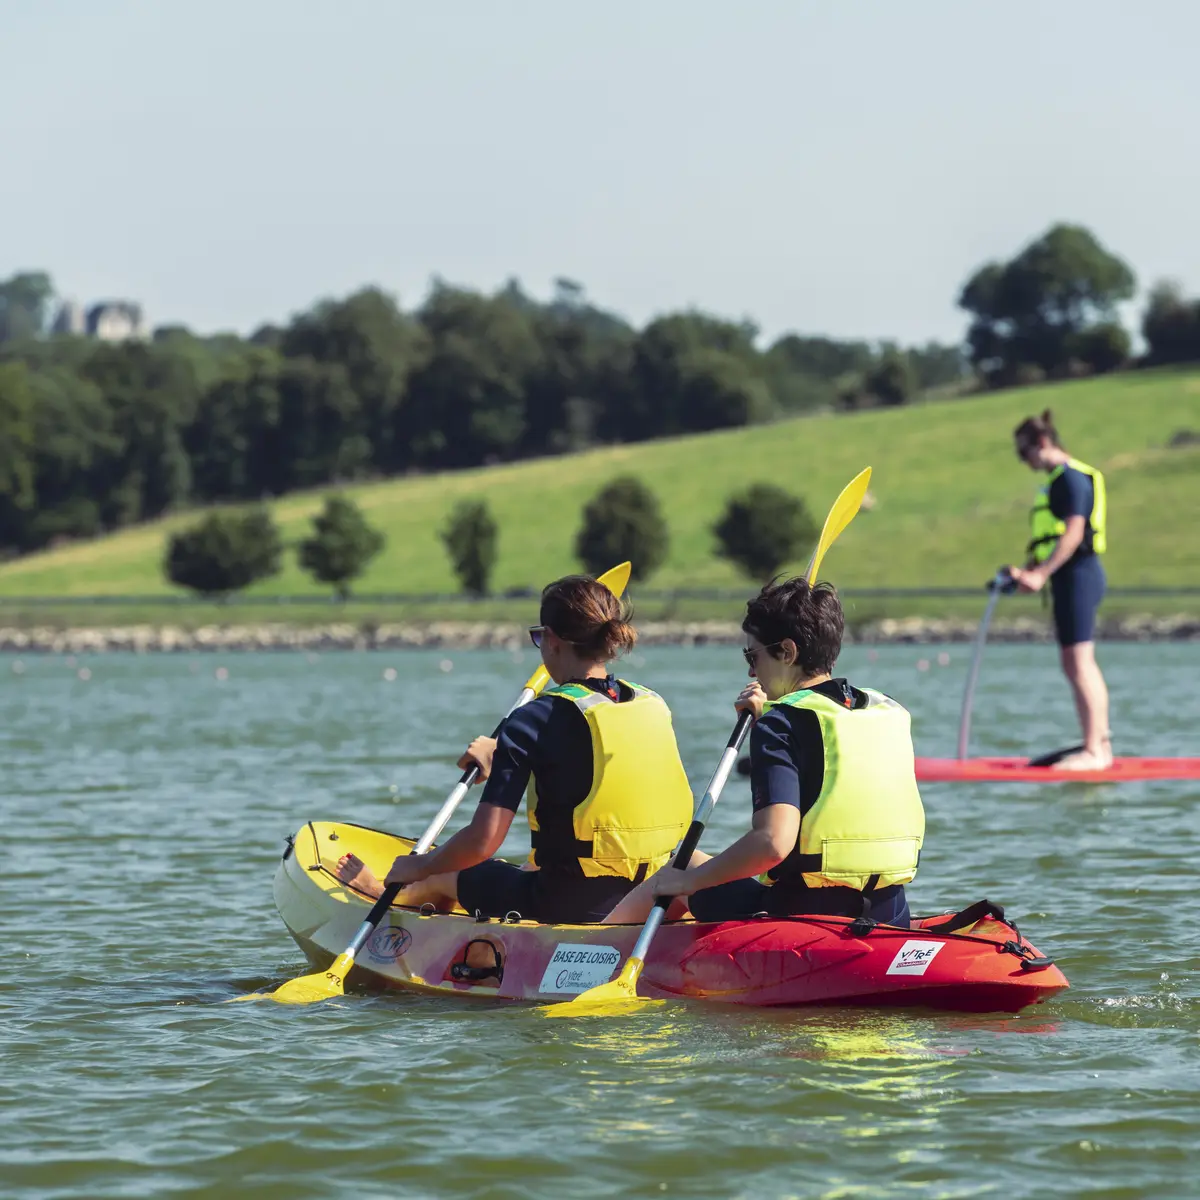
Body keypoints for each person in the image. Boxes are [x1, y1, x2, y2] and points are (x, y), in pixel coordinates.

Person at [334, 574, 695, 924]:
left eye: (539, 638)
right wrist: (502, 751)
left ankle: (383, 891)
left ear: (552, 640)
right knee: (534, 860)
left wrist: (420, 866)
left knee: (451, 873)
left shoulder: (534, 719)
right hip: (654, 891)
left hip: (569, 904)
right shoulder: (649, 702)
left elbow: (483, 841)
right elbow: (590, 764)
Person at [605, 576, 925, 928]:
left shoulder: (782, 723)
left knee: (680, 865)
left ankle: (587, 950)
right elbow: (825, 759)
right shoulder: (886, 710)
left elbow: (773, 843)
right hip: (891, 915)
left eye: (752, 655)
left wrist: (689, 883)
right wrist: (769, 717)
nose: (750, 670)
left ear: (787, 652)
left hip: (803, 920)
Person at [1006, 409, 1111, 770]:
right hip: (1068, 575)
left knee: (1080, 661)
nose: (1025, 462)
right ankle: (1098, 744)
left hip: (1079, 574)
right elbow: (1053, 539)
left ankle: (1096, 751)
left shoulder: (1070, 479)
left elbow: (1073, 534)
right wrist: (1030, 573)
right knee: (1074, 662)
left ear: (1043, 443)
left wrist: (1041, 574)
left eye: (1025, 453)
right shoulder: (1058, 480)